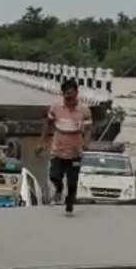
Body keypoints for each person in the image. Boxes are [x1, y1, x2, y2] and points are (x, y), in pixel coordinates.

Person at [36, 79, 92, 214]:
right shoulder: (56, 108)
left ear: (77, 94)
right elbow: (47, 123)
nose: (69, 101)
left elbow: (89, 129)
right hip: (58, 151)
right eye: (67, 97)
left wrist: (86, 143)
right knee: (54, 176)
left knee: (72, 182)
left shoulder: (85, 111)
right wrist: (41, 142)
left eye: (72, 97)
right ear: (63, 95)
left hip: (75, 153)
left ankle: (70, 199)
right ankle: (59, 188)